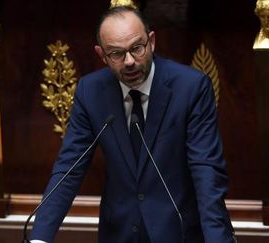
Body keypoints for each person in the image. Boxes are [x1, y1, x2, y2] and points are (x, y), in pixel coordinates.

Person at [30, 6, 236, 243]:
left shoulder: (190, 88)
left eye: (137, 48)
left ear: (152, 42)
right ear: (102, 55)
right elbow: (69, 167)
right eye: (117, 54)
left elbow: (206, 171)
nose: (129, 62)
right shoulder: (91, 92)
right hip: (119, 232)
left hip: (178, 231)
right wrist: (40, 238)